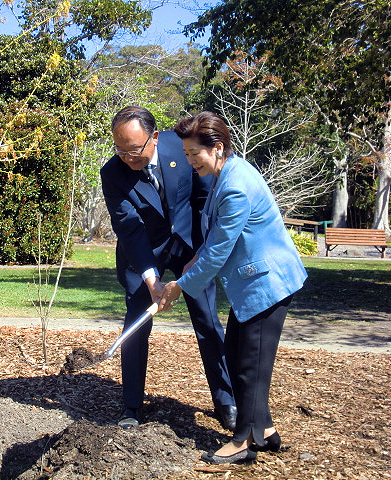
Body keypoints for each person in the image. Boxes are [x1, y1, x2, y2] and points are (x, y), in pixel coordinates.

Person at [159, 111, 307, 465]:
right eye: (186, 153)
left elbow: (218, 254)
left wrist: (179, 286)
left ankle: (243, 442)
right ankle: (266, 430)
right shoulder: (227, 172)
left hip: (268, 283)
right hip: (254, 284)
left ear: (217, 148)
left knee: (248, 365)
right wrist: (194, 258)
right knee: (241, 357)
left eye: (194, 153)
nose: (189, 160)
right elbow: (214, 241)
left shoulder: (235, 186)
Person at [100, 106, 236, 431]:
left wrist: (200, 255)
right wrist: (150, 279)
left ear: (155, 137)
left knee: (207, 321)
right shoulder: (113, 175)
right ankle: (131, 406)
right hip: (144, 252)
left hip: (190, 243)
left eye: (134, 150)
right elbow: (129, 230)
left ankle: (226, 401)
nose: (127, 157)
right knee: (136, 325)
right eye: (120, 150)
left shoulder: (182, 147)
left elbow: (204, 201)